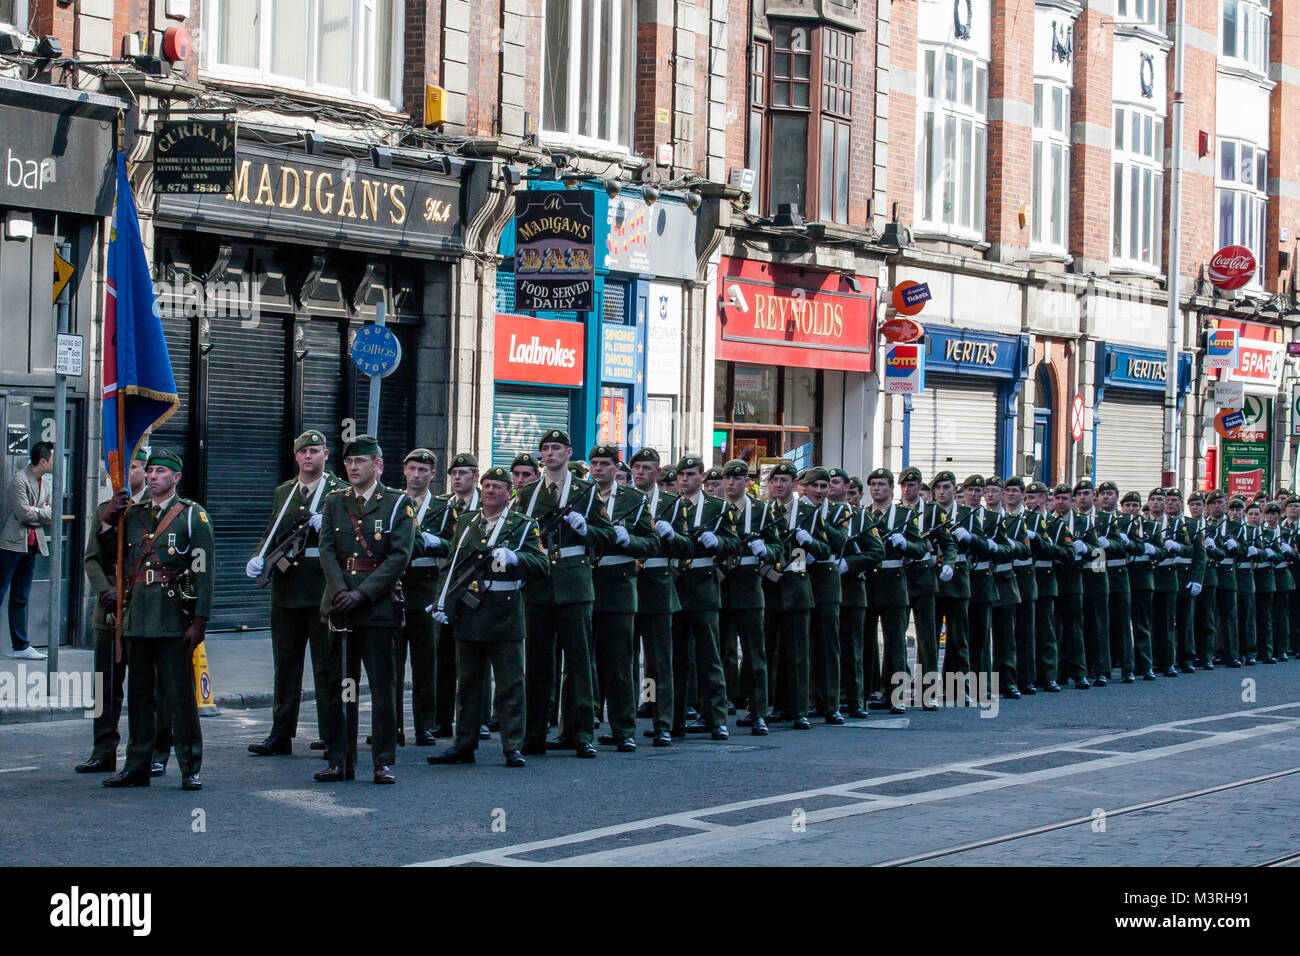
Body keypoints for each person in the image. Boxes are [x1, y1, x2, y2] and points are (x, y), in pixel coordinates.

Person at [98, 449, 212, 791]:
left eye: (161, 472)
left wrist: (200, 620)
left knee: (179, 697)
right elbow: (108, 557)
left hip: (173, 617)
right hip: (138, 618)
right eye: (150, 471)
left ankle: (190, 765)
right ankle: (137, 766)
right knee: (140, 697)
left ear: (175, 478)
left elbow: (204, 571)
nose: (152, 476)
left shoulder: (192, 516)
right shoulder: (133, 515)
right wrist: (108, 519)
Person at [428, 467, 547, 768]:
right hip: (469, 609)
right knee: (467, 682)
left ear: (510, 493)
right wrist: (441, 600)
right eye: (487, 486)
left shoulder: (522, 525)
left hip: (504, 611)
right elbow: (452, 563)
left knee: (509, 684)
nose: (491, 491)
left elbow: (542, 564)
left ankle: (512, 745)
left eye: (498, 486)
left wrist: (516, 558)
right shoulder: (467, 523)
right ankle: (463, 744)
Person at [315, 435, 415, 785]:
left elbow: (399, 557)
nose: (353, 468)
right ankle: (340, 758)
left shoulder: (397, 503)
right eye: (349, 463)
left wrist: (363, 594)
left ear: (378, 466)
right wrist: (341, 591)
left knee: (383, 686)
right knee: (341, 684)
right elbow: (326, 550)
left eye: (360, 462)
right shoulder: (334, 502)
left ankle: (382, 760)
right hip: (341, 606)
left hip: (377, 608)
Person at [244, 430, 347, 757]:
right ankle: (281, 733)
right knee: (285, 665)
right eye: (303, 452)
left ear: (326, 455)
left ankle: (331, 734)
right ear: (295, 456)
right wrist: (259, 556)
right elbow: (274, 532)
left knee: (326, 666)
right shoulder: (284, 492)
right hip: (286, 591)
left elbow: (351, 543)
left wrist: (330, 525)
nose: (308, 457)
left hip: (321, 589)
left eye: (314, 451)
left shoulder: (339, 493)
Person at [514, 429, 614, 758]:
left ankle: (581, 732)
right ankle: (534, 733)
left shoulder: (585, 491)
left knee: (579, 661)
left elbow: (608, 535)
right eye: (546, 448)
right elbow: (520, 533)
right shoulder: (529, 493)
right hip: (541, 583)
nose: (551, 453)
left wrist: (587, 530)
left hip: (574, 581)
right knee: (539, 662)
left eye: (557, 447)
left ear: (569, 452)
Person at [77, 449, 163, 774]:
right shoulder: (105, 509)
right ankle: (103, 750)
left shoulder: (153, 512)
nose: (127, 475)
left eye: (135, 467)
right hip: (109, 609)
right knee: (104, 686)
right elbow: (91, 558)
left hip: (141, 607)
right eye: (121, 469)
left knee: (147, 686)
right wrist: (104, 590)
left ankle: (151, 751)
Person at [587, 444, 656, 751]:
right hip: (586, 584)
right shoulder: (580, 495)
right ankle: (581, 724)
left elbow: (652, 543)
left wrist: (631, 540)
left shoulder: (634, 499)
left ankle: (623, 728)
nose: (598, 469)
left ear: (617, 468)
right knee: (582, 663)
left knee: (618, 664)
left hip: (618, 586)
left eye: (604, 464)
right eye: (594, 463)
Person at [671, 455, 738, 739]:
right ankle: (674, 719)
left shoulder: (718, 507)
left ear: (702, 476)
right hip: (674, 585)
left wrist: (719, 542)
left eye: (691, 474)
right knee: (675, 659)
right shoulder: (669, 506)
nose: (685, 479)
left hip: (704, 585)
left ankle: (716, 718)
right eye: (681, 475)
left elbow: (735, 543)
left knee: (710, 657)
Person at [762, 461, 829, 728]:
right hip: (770, 587)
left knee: (798, 653)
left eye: (784, 480)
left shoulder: (808, 513)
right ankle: (778, 705)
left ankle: (800, 708)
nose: (778, 485)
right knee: (772, 652)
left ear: (794, 484)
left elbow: (826, 549)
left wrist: (809, 541)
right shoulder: (764, 511)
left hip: (798, 587)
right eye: (775, 480)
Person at [630, 447, 687, 746]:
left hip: (658, 583)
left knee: (658, 661)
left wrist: (673, 537)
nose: (642, 472)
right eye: (637, 467)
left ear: (658, 473)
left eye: (648, 468)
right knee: (627, 660)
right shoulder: (621, 500)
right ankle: (634, 714)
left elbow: (687, 547)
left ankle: (662, 720)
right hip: (627, 582)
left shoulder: (671, 504)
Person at [396, 449, 452, 747]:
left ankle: (424, 726)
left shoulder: (443, 509)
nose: (417, 475)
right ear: (404, 471)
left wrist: (437, 542)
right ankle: (392, 724)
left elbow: (456, 545)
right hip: (395, 585)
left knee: (424, 661)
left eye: (423, 470)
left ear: (433, 474)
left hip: (425, 585)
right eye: (413, 469)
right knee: (391, 661)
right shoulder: (393, 503)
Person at [722, 459, 779, 734]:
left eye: (738, 478)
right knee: (718, 654)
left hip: (749, 585)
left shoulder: (761, 510)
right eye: (727, 479)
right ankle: (715, 711)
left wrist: (765, 549)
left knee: (755, 654)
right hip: (720, 585)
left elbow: (778, 547)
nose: (732, 483)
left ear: (748, 482)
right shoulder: (715, 508)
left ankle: (758, 712)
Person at [864, 468, 926, 712]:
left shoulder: (903, 516)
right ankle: (870, 691)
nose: (877, 488)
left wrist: (906, 544)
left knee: (895, 644)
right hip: (869, 582)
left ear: (891, 488)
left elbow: (921, 548)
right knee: (868, 642)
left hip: (893, 582)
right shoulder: (863, 515)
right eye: (873, 484)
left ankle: (896, 695)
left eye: (882, 484)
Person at [431, 453, 480, 738]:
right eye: (454, 473)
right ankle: (441, 718)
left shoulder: (485, 505)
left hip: (475, 588)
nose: (457, 478)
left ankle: (478, 718)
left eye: (463, 473)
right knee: (444, 656)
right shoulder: (441, 505)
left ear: (475, 476)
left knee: (474, 659)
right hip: (447, 584)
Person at [900, 467, 954, 706]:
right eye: (904, 485)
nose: (908, 489)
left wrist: (948, 564)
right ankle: (898, 690)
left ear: (920, 487)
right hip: (900, 578)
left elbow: (948, 543)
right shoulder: (895, 511)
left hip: (924, 576)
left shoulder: (933, 511)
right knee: (896, 637)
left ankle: (928, 692)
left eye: (912, 485)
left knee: (927, 639)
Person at [801, 467, 849, 722]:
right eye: (815, 487)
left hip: (827, 581)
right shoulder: (795, 510)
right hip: (801, 579)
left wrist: (820, 519)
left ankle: (831, 704)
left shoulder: (838, 511)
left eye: (824, 487)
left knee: (828, 646)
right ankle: (805, 700)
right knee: (803, 645)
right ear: (804, 487)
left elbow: (840, 541)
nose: (819, 492)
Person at [0, 442, 54, 660]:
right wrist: (41, 511)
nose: (54, 462)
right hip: (11, 544)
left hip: (31, 545)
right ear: (43, 461)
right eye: (52, 458)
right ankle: (20, 644)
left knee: (21, 596)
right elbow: (24, 514)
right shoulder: (19, 479)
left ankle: (20, 645)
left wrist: (38, 511)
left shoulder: (47, 484)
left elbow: (52, 513)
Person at [935, 471, 977, 699]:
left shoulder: (967, 514)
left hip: (959, 577)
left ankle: (960, 688)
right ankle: (928, 687)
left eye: (947, 487)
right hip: (933, 577)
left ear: (955, 490)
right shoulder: (928, 512)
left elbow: (982, 543)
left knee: (958, 637)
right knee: (929, 639)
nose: (942, 491)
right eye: (939, 487)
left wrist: (970, 538)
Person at [1097, 481, 1138, 683]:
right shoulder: (1094, 519)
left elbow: (1138, 546)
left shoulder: (1127, 520)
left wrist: (1125, 542)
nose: (1106, 497)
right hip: (1099, 570)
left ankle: (1128, 668)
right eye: (1103, 493)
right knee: (1102, 624)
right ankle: (1103, 668)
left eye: (1110, 493)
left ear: (1116, 497)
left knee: (1123, 624)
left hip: (1119, 572)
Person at [1053, 483, 1092, 689]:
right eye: (1057, 499)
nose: (1060, 502)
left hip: (1074, 576)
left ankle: (1079, 672)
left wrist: (1087, 548)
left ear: (1072, 501)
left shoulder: (1083, 522)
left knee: (1074, 627)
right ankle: (1058, 671)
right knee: (1055, 627)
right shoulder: (1048, 521)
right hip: (1053, 575)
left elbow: (1096, 547)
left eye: (1065, 499)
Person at [1001, 477, 1038, 694]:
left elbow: (1038, 544)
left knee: (1025, 632)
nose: (1011, 494)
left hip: (1025, 576)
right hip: (1005, 575)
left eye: (1016, 491)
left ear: (1022, 494)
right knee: (1005, 633)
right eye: (1008, 491)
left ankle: (1027, 678)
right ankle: (1005, 677)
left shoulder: (1031, 518)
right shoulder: (1000, 517)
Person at [1164, 489, 1205, 672]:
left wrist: (1197, 579)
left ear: (1181, 503)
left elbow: (1199, 556)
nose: (1171, 503)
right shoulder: (1158, 524)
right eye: (1168, 500)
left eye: (1174, 500)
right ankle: (1165, 658)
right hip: (1165, 577)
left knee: (1185, 621)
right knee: (1166, 621)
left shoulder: (1192, 525)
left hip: (1185, 577)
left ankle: (1187, 658)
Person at [1187, 491, 1220, 670]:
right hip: (1190, 575)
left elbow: (1222, 552)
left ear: (1204, 507)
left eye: (1199, 505)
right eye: (1193, 505)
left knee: (1207, 618)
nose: (1196, 508)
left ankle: (1207, 655)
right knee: (1190, 619)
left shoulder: (1212, 527)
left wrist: (1213, 549)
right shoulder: (1185, 525)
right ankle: (1192, 655)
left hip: (1208, 576)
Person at [1265, 502, 1292, 663]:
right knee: (1267, 615)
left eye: (1274, 514)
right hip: (1267, 574)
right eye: (1268, 514)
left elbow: (1293, 553)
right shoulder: (1262, 532)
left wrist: (1290, 551)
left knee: (1281, 615)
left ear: (1279, 515)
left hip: (1281, 574)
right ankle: (1268, 648)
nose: (1271, 517)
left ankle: (1281, 649)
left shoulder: (1287, 532)